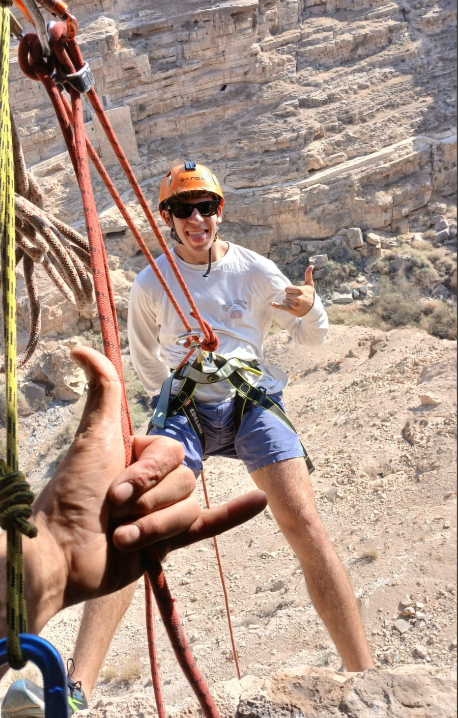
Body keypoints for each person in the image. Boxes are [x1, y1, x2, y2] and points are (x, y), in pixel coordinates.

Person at [9, 161, 374, 716]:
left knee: (303, 521)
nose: (196, 218)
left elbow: (310, 332)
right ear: (168, 218)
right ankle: (75, 688)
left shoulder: (254, 271)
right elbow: (146, 359)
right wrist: (177, 400)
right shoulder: (154, 283)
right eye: (183, 209)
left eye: (205, 207)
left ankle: (364, 674)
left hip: (248, 395)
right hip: (184, 403)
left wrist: (310, 307)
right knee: (129, 532)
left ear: (219, 212)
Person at [0, 345, 267, 716]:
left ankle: (77, 689)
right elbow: (146, 351)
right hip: (187, 398)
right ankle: (79, 688)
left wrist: (52, 557)